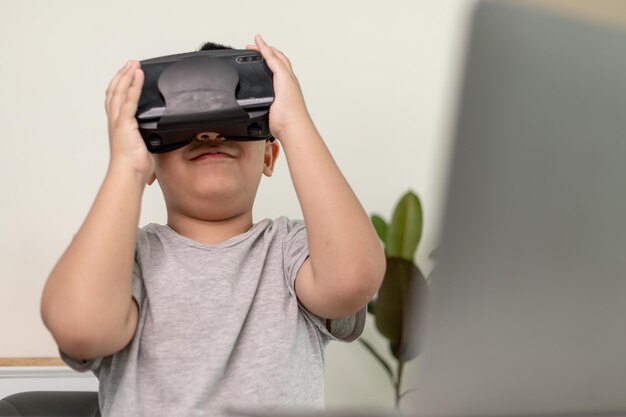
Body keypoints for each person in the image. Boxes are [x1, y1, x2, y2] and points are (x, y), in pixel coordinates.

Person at [40, 34, 385, 417]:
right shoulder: (124, 261)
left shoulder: (293, 252)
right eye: (186, 122)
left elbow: (354, 279)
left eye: (230, 118)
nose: (209, 133)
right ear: (151, 161)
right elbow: (81, 328)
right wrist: (125, 167)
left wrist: (294, 123)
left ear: (270, 157)